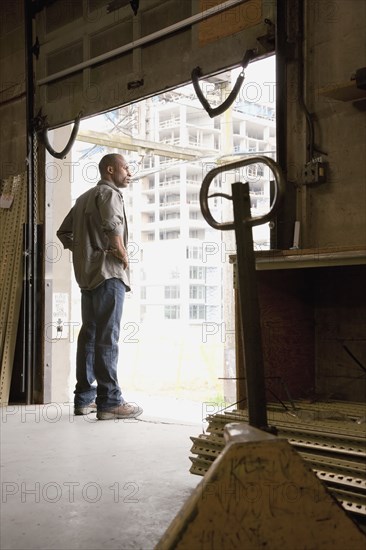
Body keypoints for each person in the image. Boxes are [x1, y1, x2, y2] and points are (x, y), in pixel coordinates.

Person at [57, 153, 143, 420]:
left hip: (88, 275)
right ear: (110, 169)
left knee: (90, 335)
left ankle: (84, 399)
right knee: (108, 336)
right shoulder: (110, 194)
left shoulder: (83, 198)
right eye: (126, 168)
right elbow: (112, 224)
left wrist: (85, 251)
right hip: (108, 274)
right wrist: (121, 254)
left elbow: (64, 232)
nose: (129, 173)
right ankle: (109, 402)